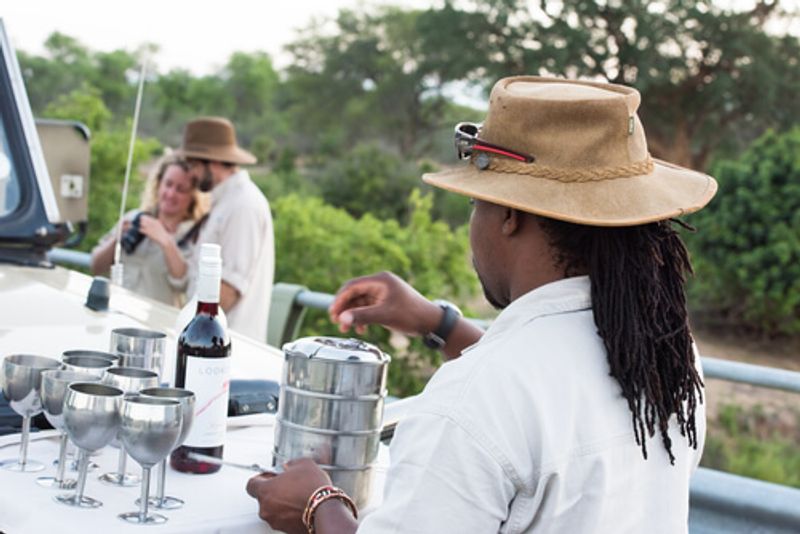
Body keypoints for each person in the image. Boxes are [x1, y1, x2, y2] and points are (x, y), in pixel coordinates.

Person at [245, 76, 719, 533]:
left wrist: (317, 505)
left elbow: (510, 406)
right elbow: (550, 400)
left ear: (509, 215)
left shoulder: (473, 400)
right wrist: (441, 324)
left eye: (477, 202)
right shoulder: (668, 352)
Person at [176, 117, 274, 341]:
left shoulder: (243, 205)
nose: (190, 174)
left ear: (214, 162)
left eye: (193, 165)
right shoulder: (228, 202)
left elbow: (227, 291)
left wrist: (189, 335)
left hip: (228, 345)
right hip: (214, 341)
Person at [91, 153, 208, 307]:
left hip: (157, 324)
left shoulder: (195, 236)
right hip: (117, 311)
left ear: (193, 196)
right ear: (158, 185)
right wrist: (116, 240)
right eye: (168, 184)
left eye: (181, 189)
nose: (171, 193)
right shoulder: (134, 218)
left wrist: (166, 242)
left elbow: (184, 285)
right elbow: (96, 267)